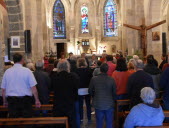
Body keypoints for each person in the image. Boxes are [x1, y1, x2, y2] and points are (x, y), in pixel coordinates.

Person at [1, 53, 41, 118]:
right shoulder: (27, 71)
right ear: (22, 60)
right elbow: (33, 88)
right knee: (27, 122)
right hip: (25, 101)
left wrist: (5, 101)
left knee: (13, 123)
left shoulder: (7, 72)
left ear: (13, 61)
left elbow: (3, 89)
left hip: (12, 101)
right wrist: (37, 100)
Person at [52, 59, 78, 128]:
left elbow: (51, 88)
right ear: (68, 67)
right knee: (71, 121)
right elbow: (76, 89)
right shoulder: (73, 76)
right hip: (69, 103)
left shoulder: (54, 77)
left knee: (59, 124)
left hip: (58, 103)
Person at [89, 63, 116, 128]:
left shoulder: (94, 79)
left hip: (98, 102)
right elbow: (114, 92)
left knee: (99, 122)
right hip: (109, 103)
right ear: (107, 70)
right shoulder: (111, 79)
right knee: (109, 122)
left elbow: (90, 91)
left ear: (100, 69)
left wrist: (94, 96)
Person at [76, 58, 92, 123]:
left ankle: (81, 118)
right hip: (87, 89)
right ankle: (89, 118)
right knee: (88, 105)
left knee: (80, 105)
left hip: (79, 89)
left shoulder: (76, 71)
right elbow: (91, 79)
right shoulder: (88, 70)